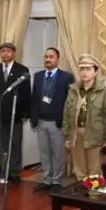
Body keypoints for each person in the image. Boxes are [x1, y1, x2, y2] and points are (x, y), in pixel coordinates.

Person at [30, 47, 74, 191]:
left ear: (57, 59)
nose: (48, 59)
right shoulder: (38, 76)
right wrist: (33, 118)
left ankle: (56, 181)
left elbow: (70, 101)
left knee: (58, 154)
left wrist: (67, 122)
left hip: (57, 122)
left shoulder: (66, 77)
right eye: (46, 56)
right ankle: (47, 180)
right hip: (41, 121)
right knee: (44, 153)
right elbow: (34, 98)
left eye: (51, 57)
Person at [62, 53, 106, 181]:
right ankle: (82, 192)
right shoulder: (73, 90)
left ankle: (93, 193)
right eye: (82, 69)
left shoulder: (103, 92)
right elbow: (67, 114)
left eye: (88, 69)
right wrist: (67, 136)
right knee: (79, 171)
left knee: (94, 173)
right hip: (76, 136)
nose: (84, 72)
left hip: (95, 137)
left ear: (95, 72)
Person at [0, 42, 31, 184]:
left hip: (15, 115)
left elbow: (27, 93)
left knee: (15, 144)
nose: (5, 53)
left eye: (8, 51)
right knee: (1, 145)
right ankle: (4, 171)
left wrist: (25, 113)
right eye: (3, 51)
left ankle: (14, 172)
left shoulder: (22, 70)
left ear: (14, 53)